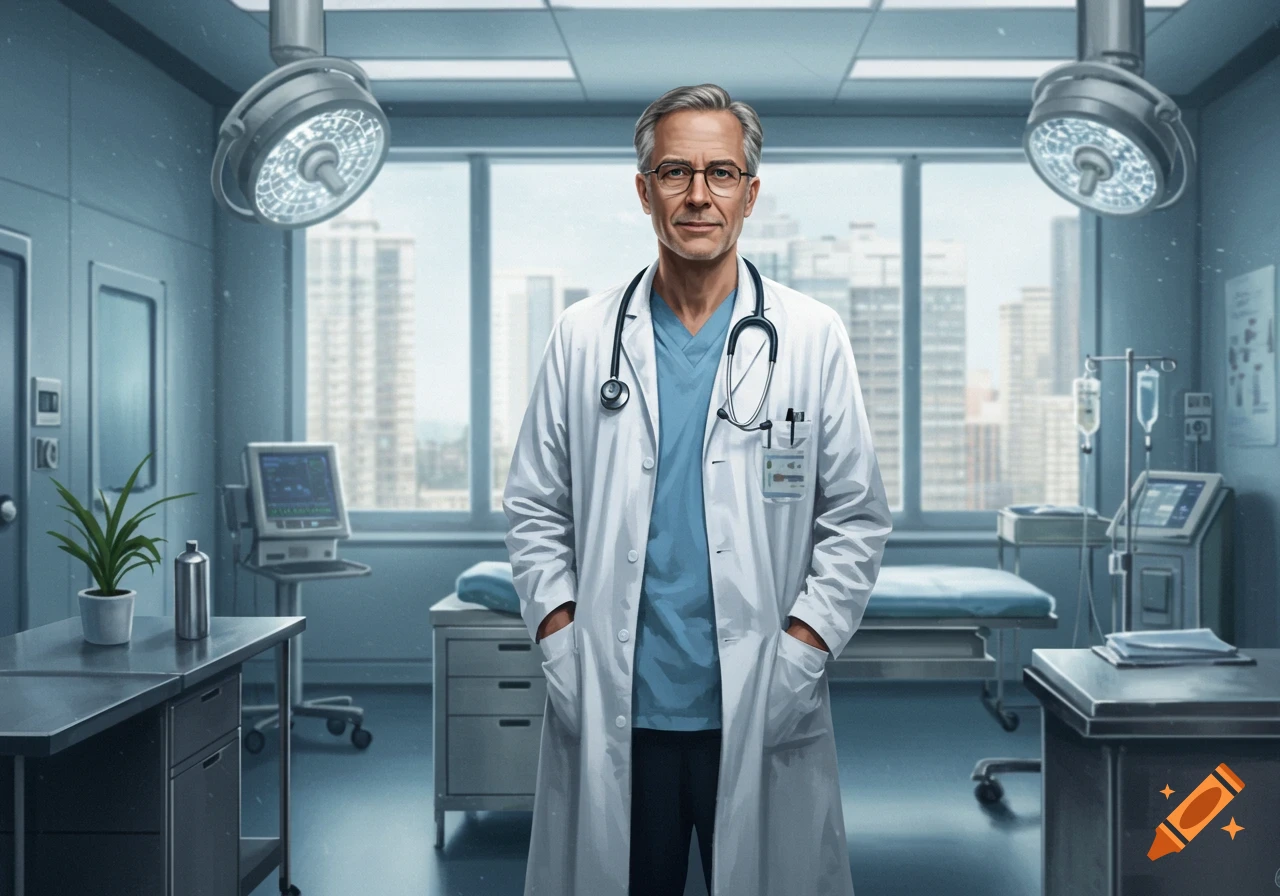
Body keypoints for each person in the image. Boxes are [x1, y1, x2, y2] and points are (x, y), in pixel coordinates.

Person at [503, 83, 892, 896]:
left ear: (751, 193)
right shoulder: (582, 337)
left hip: (759, 697)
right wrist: (560, 633)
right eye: (675, 172)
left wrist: (805, 647)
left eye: (720, 173)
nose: (697, 195)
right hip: (617, 701)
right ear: (643, 190)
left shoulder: (811, 337)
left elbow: (855, 517)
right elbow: (536, 506)